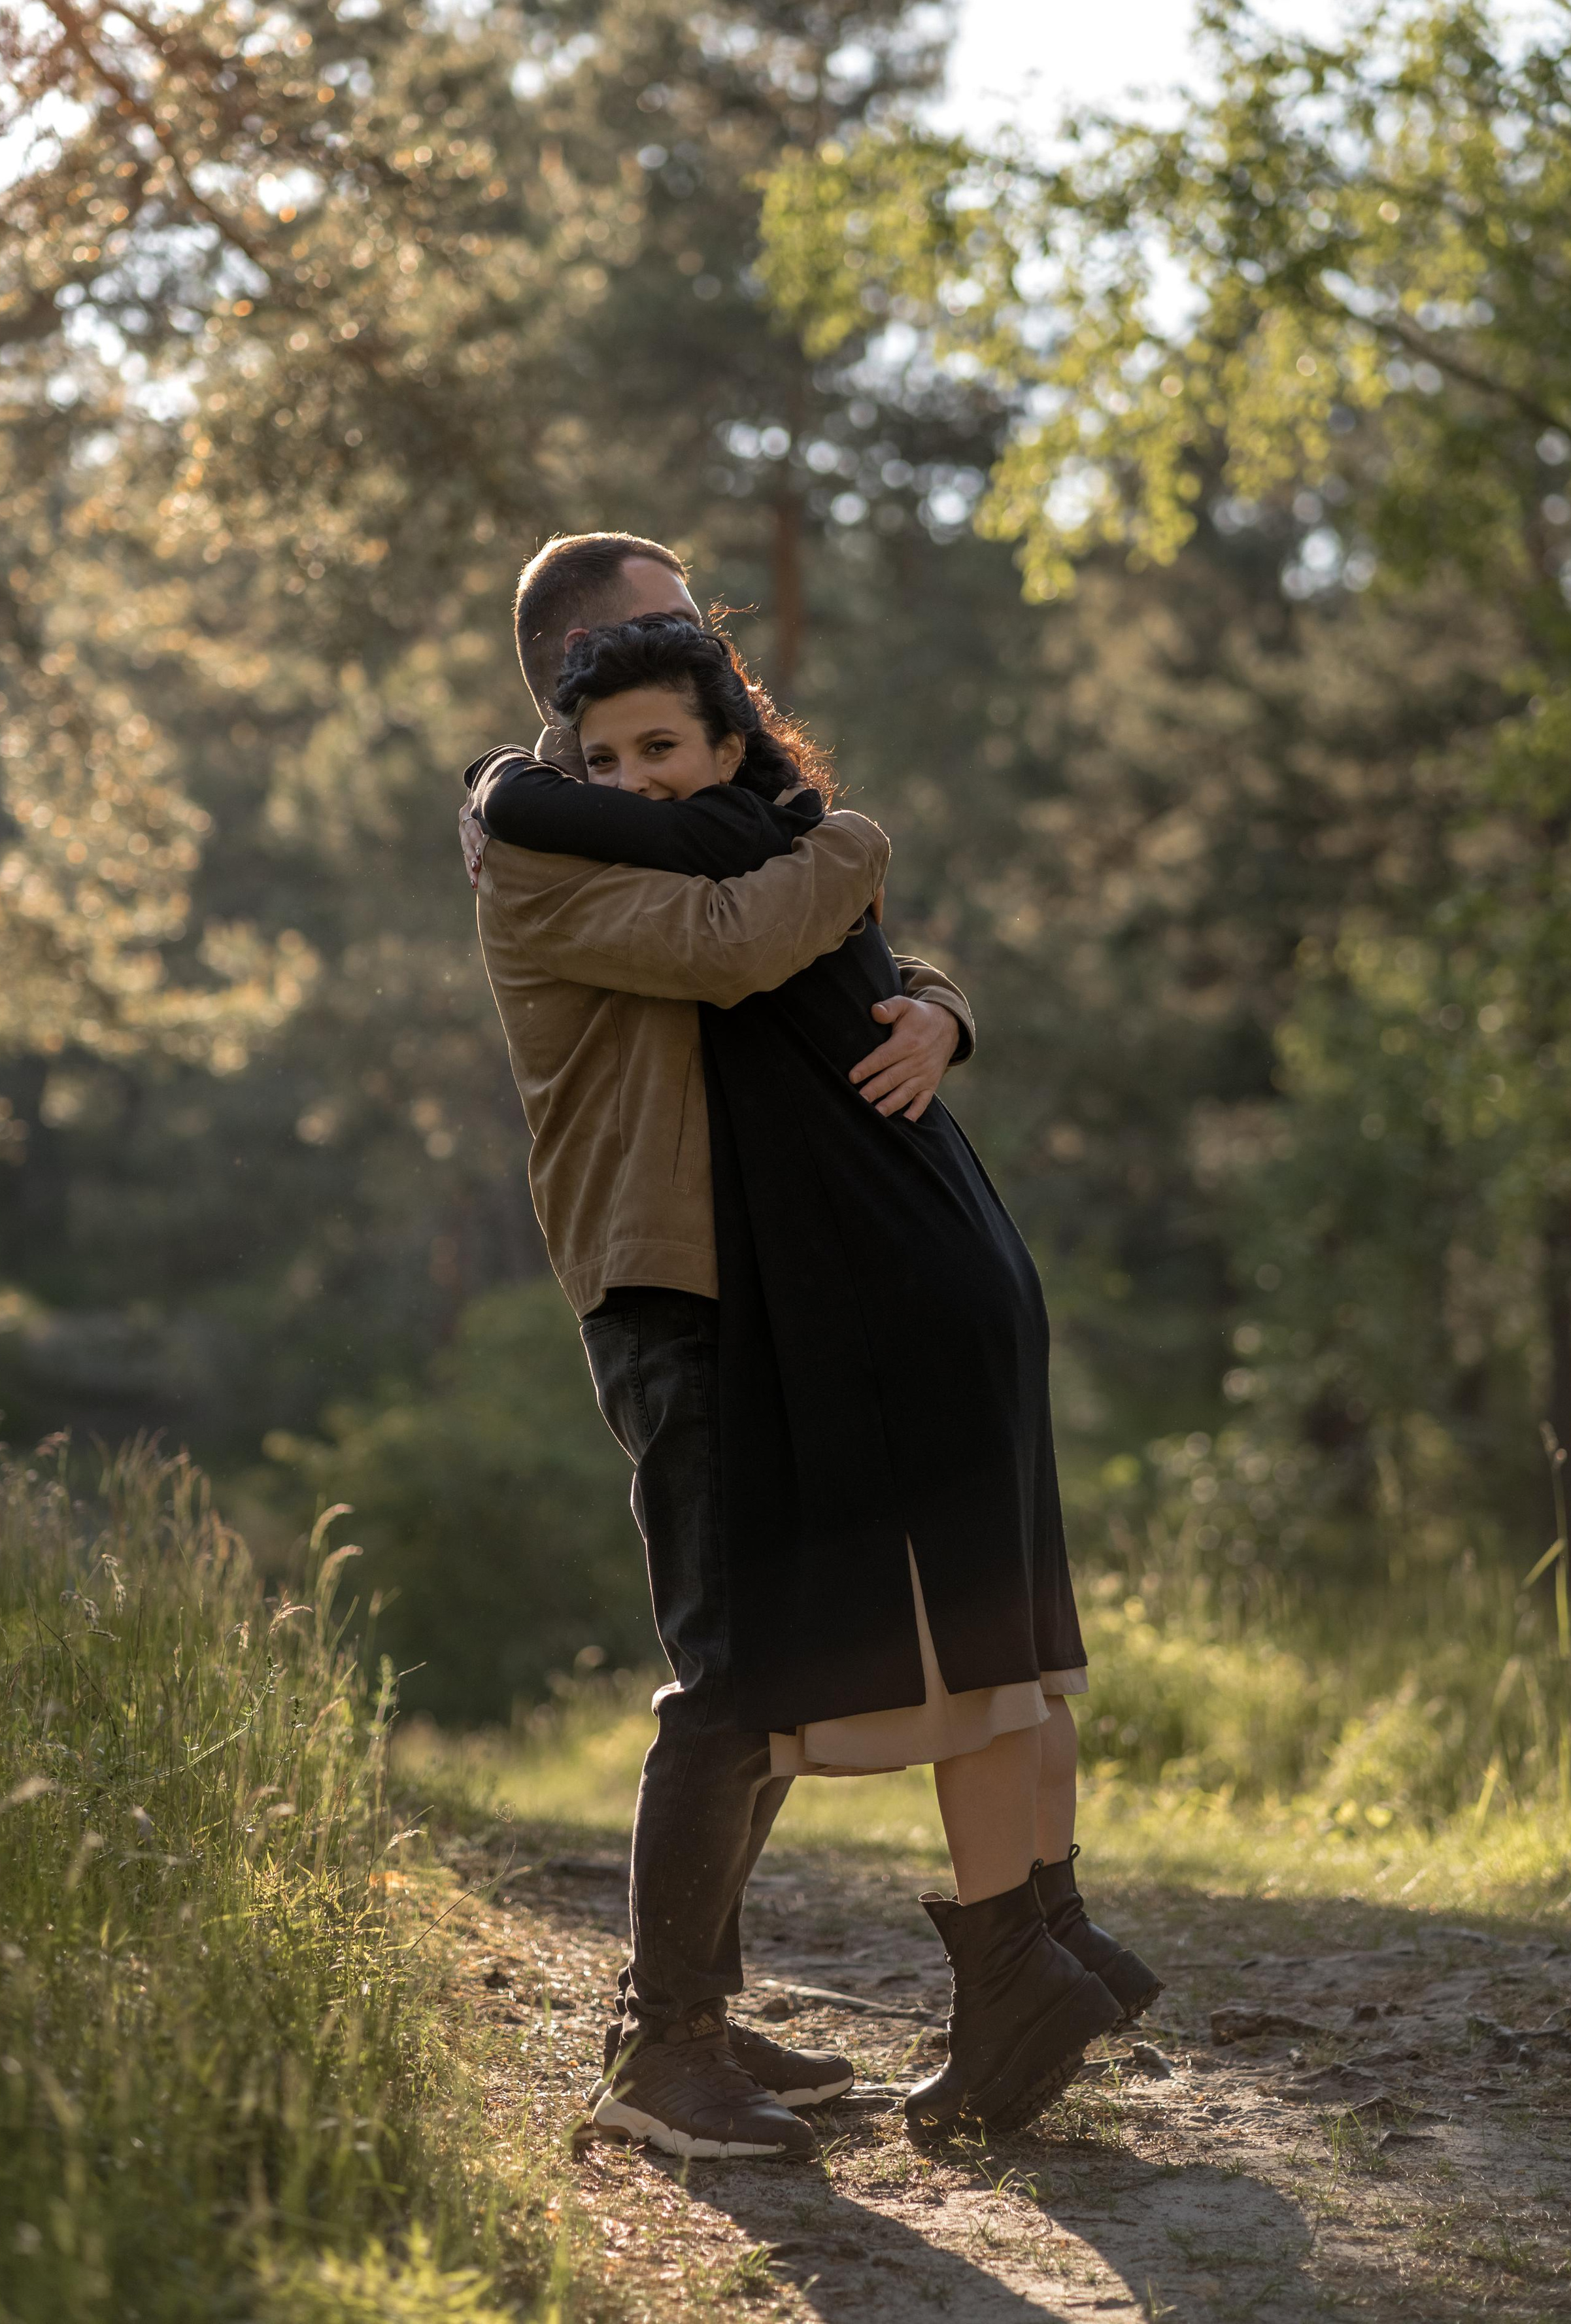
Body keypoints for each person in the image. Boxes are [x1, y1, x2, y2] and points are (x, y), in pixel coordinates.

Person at [466, 593, 1161, 2153]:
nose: (652, 757)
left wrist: (941, 1006)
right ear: (563, 674)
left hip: (781, 1273)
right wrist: (848, 837)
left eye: (681, 704)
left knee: (770, 1665)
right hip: (675, 1280)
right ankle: (668, 2049)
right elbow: (742, 946)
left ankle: (923, 1975)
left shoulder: (712, 827)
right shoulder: (540, 843)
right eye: (639, 639)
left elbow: (851, 961)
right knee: (729, 1675)